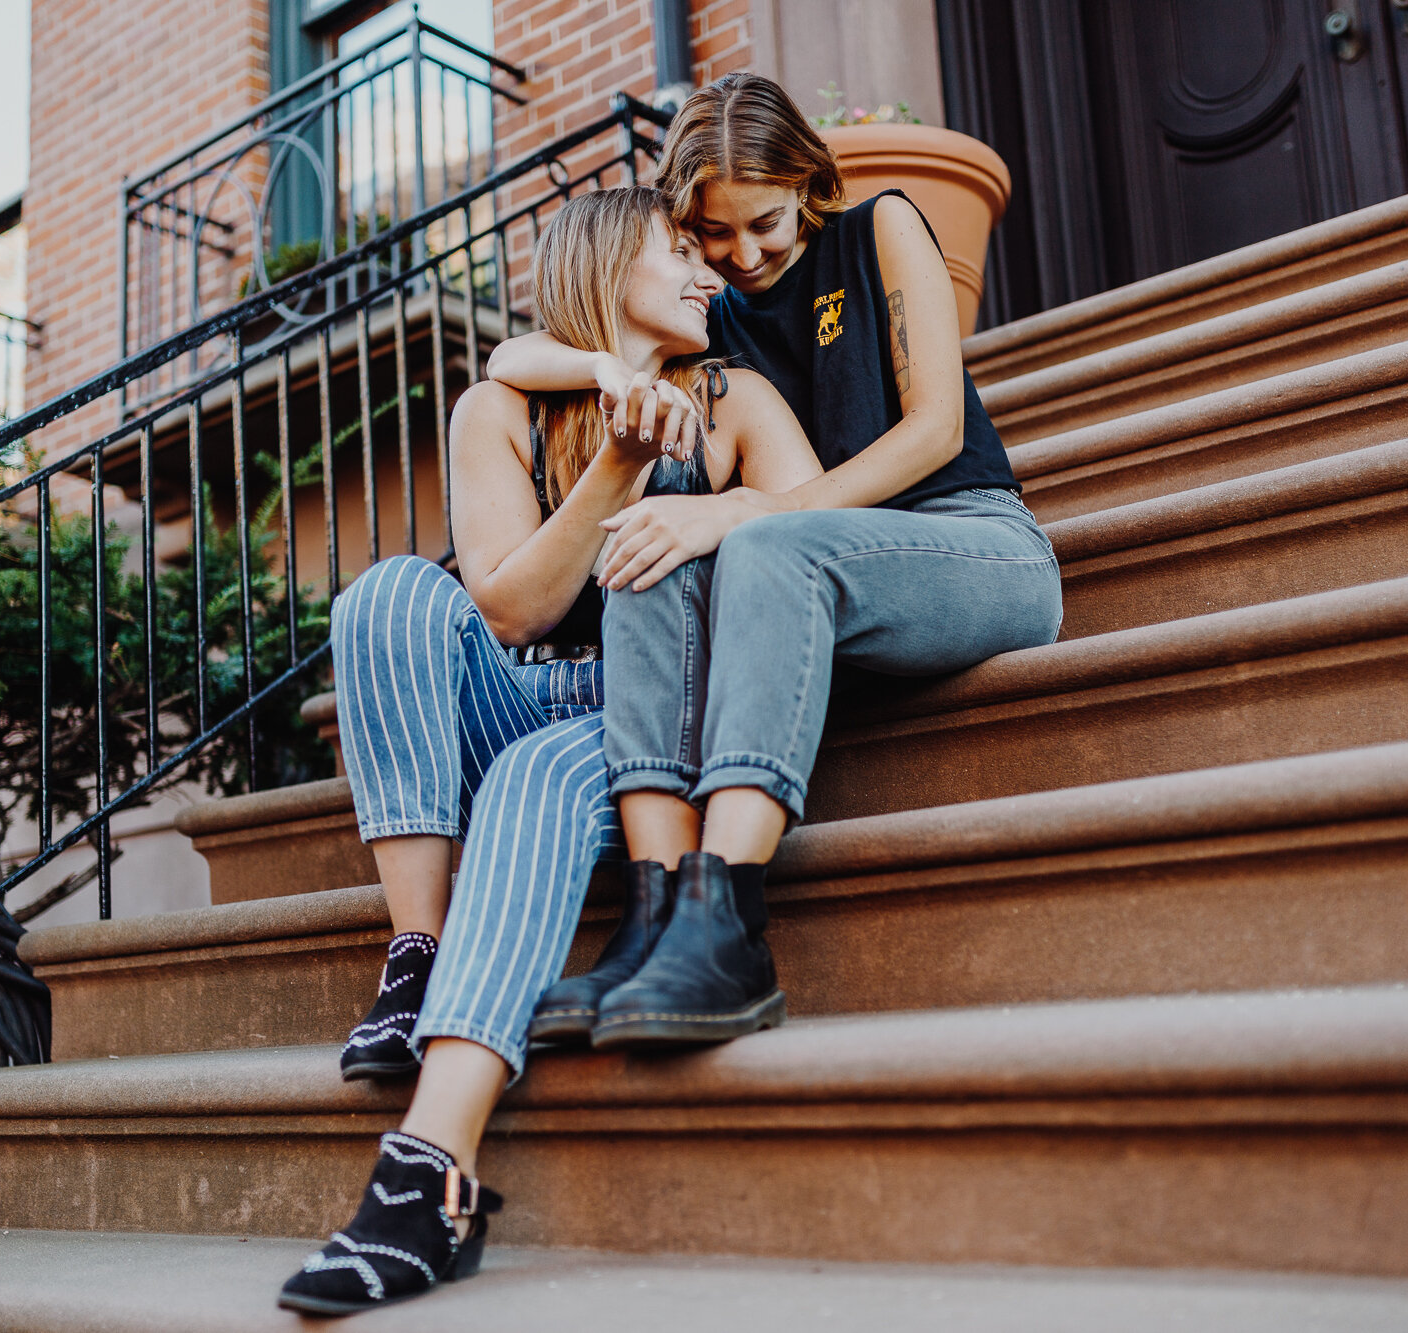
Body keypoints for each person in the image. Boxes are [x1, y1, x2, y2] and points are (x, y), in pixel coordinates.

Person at [277, 186, 821, 1316]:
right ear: (607, 263)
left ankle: (428, 1176)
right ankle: (414, 952)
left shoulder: (737, 399)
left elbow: (819, 532)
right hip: (511, 692)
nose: (710, 271)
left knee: (535, 775)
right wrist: (611, 469)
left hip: (638, 725)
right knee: (387, 596)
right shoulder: (499, 409)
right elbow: (512, 609)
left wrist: (711, 507)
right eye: (680, 250)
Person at [485, 72, 1064, 1049]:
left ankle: (730, 921)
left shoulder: (879, 229)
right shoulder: (719, 313)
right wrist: (600, 371)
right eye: (713, 236)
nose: (743, 254)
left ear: (805, 180)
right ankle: (659, 916)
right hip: (828, 580)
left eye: (762, 222)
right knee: (648, 543)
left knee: (756, 541)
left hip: (973, 545)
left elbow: (929, 434)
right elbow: (508, 362)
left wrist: (758, 507)